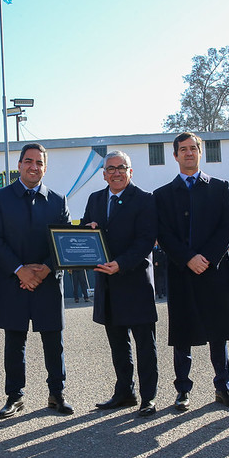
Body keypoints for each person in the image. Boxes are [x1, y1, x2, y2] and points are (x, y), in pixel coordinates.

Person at [154, 132, 229, 411]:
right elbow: (163, 233)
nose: (189, 153)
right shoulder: (162, 195)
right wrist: (188, 258)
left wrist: (207, 257)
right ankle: (182, 390)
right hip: (182, 272)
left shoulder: (221, 187)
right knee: (183, 334)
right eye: (183, 149)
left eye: (194, 148)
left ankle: (223, 387)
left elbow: (227, 228)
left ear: (200, 153)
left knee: (219, 332)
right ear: (175, 155)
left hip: (214, 270)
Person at [0, 143, 74, 418]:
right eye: (28, 161)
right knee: (14, 341)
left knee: (53, 340)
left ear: (45, 167)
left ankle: (56, 394)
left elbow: (64, 241)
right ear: (20, 165)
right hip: (13, 280)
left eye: (39, 162)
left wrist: (45, 270)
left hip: (47, 281)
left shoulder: (58, 200)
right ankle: (14, 396)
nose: (33, 166)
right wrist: (20, 270)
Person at [82, 150, 159, 416]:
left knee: (145, 345)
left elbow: (146, 240)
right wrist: (88, 228)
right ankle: (125, 392)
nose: (116, 172)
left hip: (134, 281)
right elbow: (83, 233)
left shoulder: (145, 200)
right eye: (111, 168)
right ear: (104, 174)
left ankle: (148, 397)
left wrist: (122, 263)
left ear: (130, 171)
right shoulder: (95, 199)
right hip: (108, 284)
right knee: (118, 344)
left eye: (121, 167)